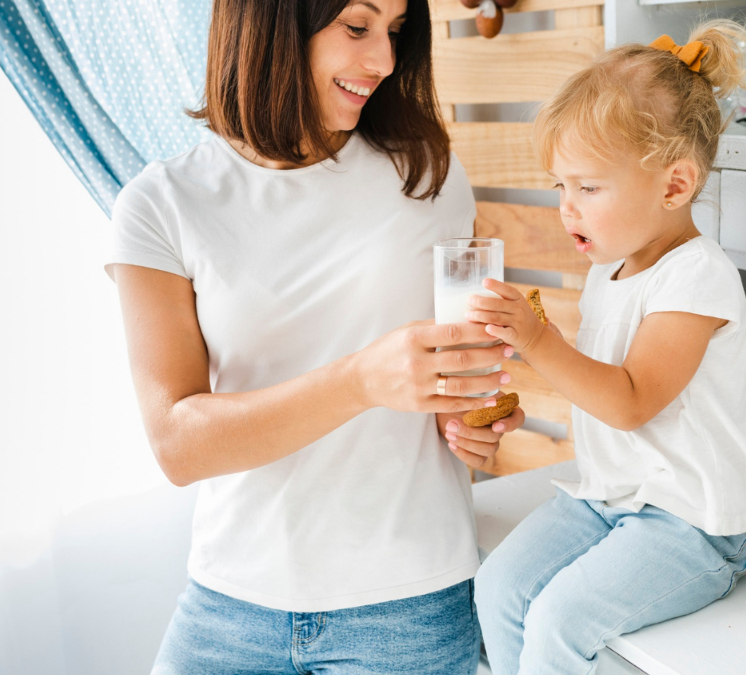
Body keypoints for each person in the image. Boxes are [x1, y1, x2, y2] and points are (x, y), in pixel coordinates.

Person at [106, 0, 525, 672]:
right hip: (230, 605)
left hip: (408, 605)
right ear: (270, 21)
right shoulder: (161, 204)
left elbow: (457, 375)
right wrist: (359, 380)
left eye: (394, 32)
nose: (384, 61)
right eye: (357, 28)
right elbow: (178, 442)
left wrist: (475, 418)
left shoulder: (428, 176)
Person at [469, 22, 746, 674]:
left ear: (674, 186)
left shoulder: (697, 275)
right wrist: (521, 349)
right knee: (498, 586)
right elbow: (596, 383)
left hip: (698, 518)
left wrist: (538, 340)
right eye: (560, 185)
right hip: (616, 494)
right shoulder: (610, 270)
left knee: (562, 619)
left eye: (588, 187)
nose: (567, 208)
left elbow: (631, 402)